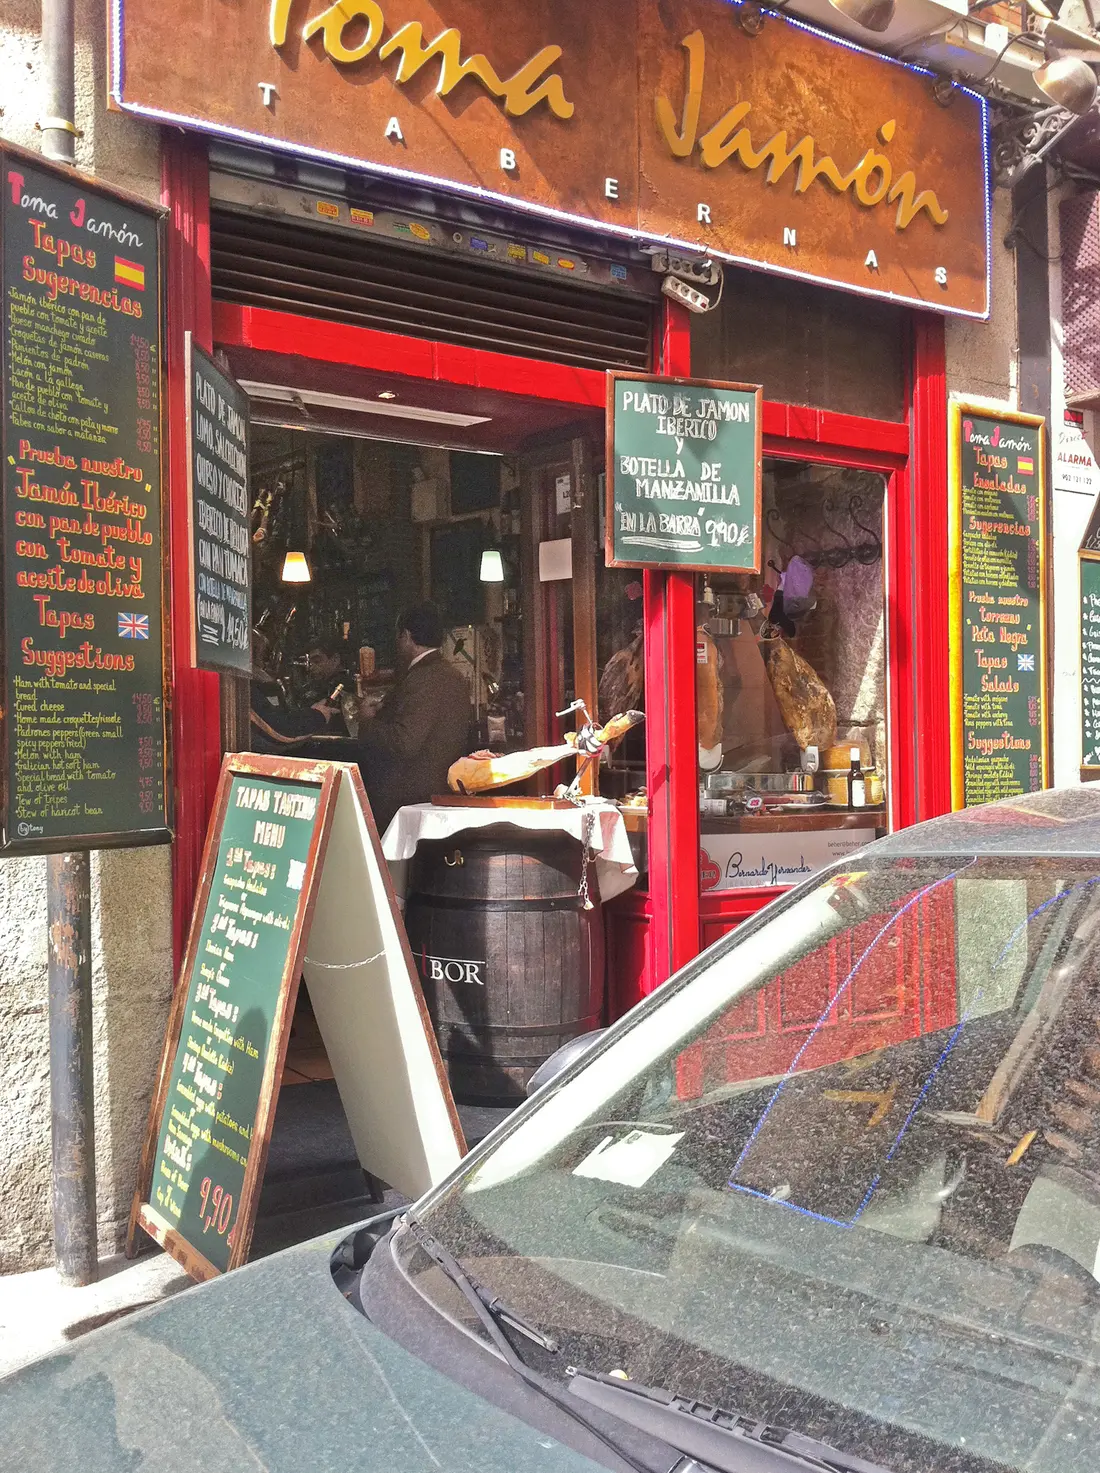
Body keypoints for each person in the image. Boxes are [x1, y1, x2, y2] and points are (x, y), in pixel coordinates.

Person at [358, 603, 472, 832]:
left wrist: (368, 721)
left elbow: (405, 742)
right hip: (443, 793)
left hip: (409, 800)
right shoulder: (454, 676)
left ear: (407, 636)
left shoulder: (421, 679)